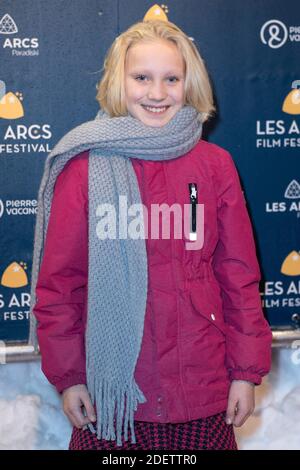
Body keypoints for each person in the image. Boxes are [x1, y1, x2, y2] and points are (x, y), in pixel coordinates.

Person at [29, 19, 272, 451]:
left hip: (203, 390)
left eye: (171, 79)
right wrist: (70, 379)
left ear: (189, 83)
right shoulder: (84, 168)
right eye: (142, 78)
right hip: (111, 400)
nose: (157, 93)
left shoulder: (215, 166)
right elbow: (60, 286)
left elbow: (237, 277)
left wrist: (245, 373)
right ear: (118, 82)